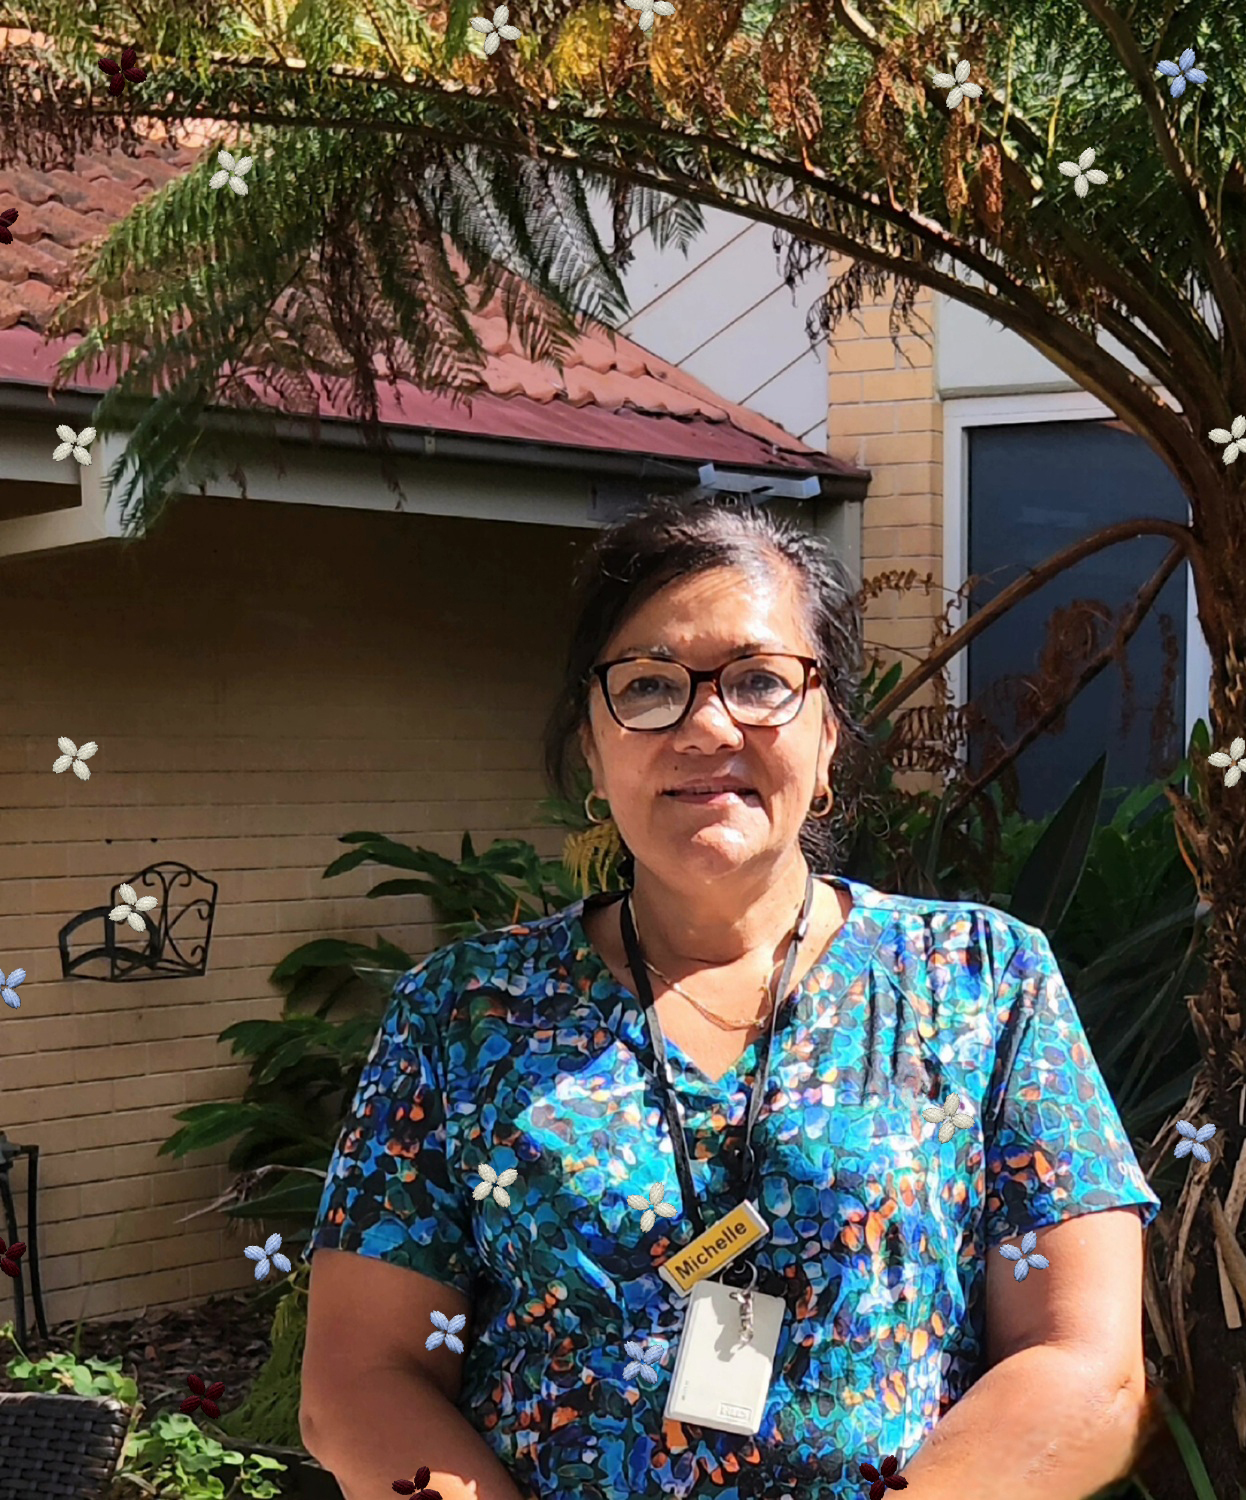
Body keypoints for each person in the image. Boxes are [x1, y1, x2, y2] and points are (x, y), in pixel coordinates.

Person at [299, 496, 1161, 1500]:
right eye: (651, 686)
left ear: (830, 731)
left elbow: (1085, 1366)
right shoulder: (462, 1017)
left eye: (759, 680)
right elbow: (362, 1377)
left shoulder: (982, 983)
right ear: (594, 744)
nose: (708, 725)